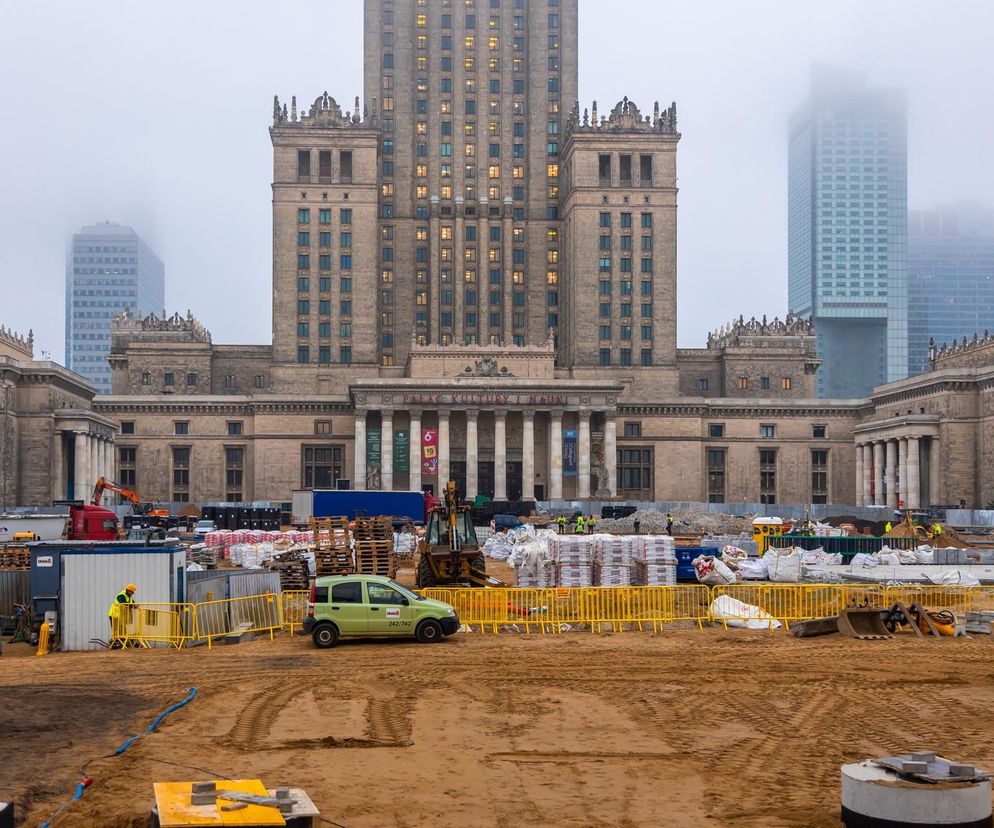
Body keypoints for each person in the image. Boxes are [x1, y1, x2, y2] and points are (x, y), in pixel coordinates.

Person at [108, 583, 137, 648]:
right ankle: (114, 643)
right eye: (132, 592)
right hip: (114, 615)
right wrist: (133, 605)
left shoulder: (129, 597)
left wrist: (135, 606)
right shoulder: (121, 595)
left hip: (120, 616)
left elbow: (132, 604)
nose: (133, 593)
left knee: (122, 630)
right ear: (129, 590)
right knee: (116, 630)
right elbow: (124, 603)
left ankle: (118, 643)